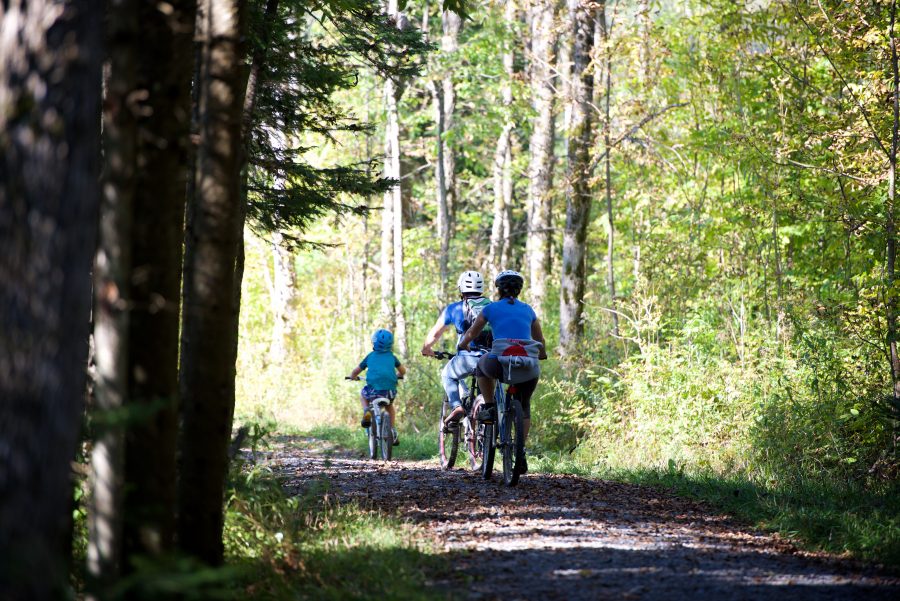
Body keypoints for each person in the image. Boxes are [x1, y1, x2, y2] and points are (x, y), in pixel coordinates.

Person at [456, 270, 548, 473]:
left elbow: (472, 332)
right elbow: (540, 341)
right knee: (523, 405)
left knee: (481, 366)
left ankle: (489, 407)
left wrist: (463, 344)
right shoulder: (528, 310)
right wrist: (541, 354)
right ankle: (520, 451)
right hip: (527, 364)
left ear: (498, 289)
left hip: (499, 361)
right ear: (519, 289)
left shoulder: (491, 308)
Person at [421, 271, 493, 424]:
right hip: (491, 359)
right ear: (481, 288)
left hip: (467, 358)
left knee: (447, 374)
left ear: (461, 288)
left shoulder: (454, 309)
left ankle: (456, 407)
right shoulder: (492, 307)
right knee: (488, 396)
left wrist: (426, 348)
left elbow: (435, 334)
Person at [348, 328, 406, 446]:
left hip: (373, 392)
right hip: (389, 392)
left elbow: (356, 371)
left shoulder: (370, 356)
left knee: (363, 394)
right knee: (389, 406)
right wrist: (398, 375)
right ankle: (392, 430)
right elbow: (403, 371)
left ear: (374, 342)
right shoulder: (392, 357)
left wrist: (352, 376)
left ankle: (366, 411)